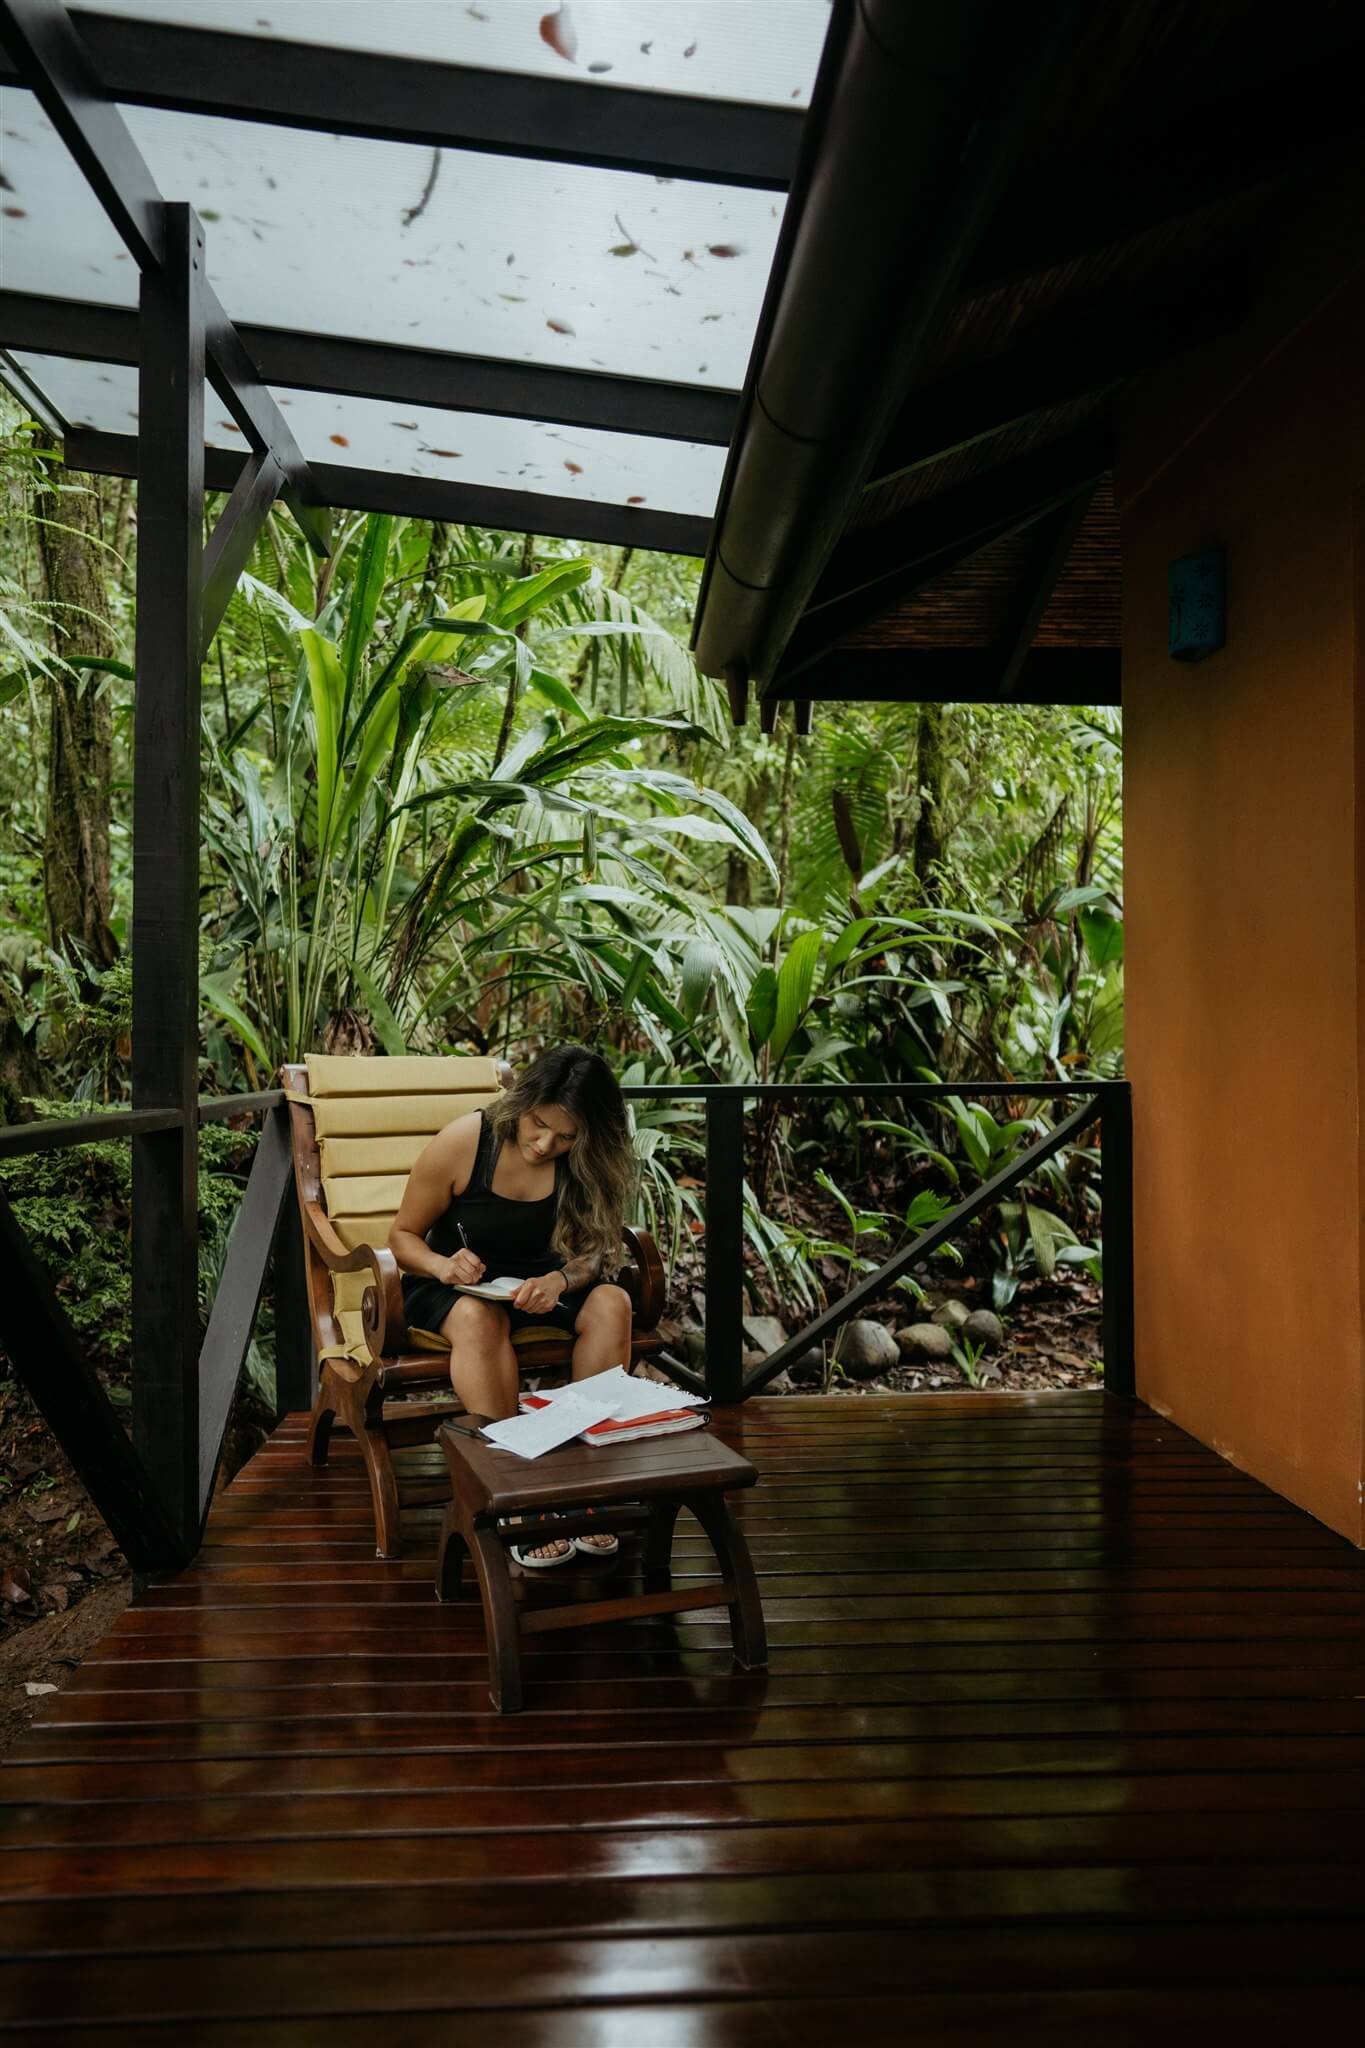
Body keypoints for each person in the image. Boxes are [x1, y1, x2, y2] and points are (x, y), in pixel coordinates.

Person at [390, 1044, 635, 1565]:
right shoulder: (467, 1140)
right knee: (481, 1318)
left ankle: (583, 1483)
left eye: (566, 1136)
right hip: (454, 1286)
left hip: (543, 1285)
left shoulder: (587, 1161)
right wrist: (443, 1265)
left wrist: (561, 1280)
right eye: (538, 1124)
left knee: (612, 1302)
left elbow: (597, 1252)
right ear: (522, 1101)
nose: (545, 1144)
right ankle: (513, 1489)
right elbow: (403, 1237)